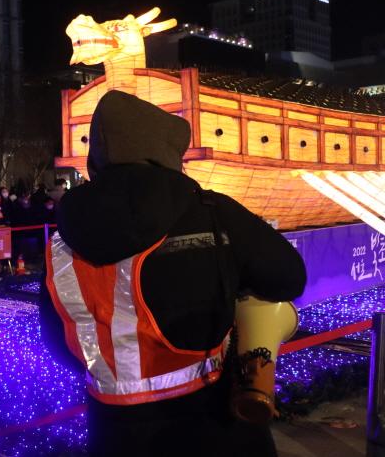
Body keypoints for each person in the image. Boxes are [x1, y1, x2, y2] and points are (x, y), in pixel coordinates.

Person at [40, 91, 307, 457]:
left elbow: (57, 341)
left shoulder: (61, 241)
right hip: (213, 425)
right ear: (167, 153)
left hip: (113, 435)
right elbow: (288, 278)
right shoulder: (212, 210)